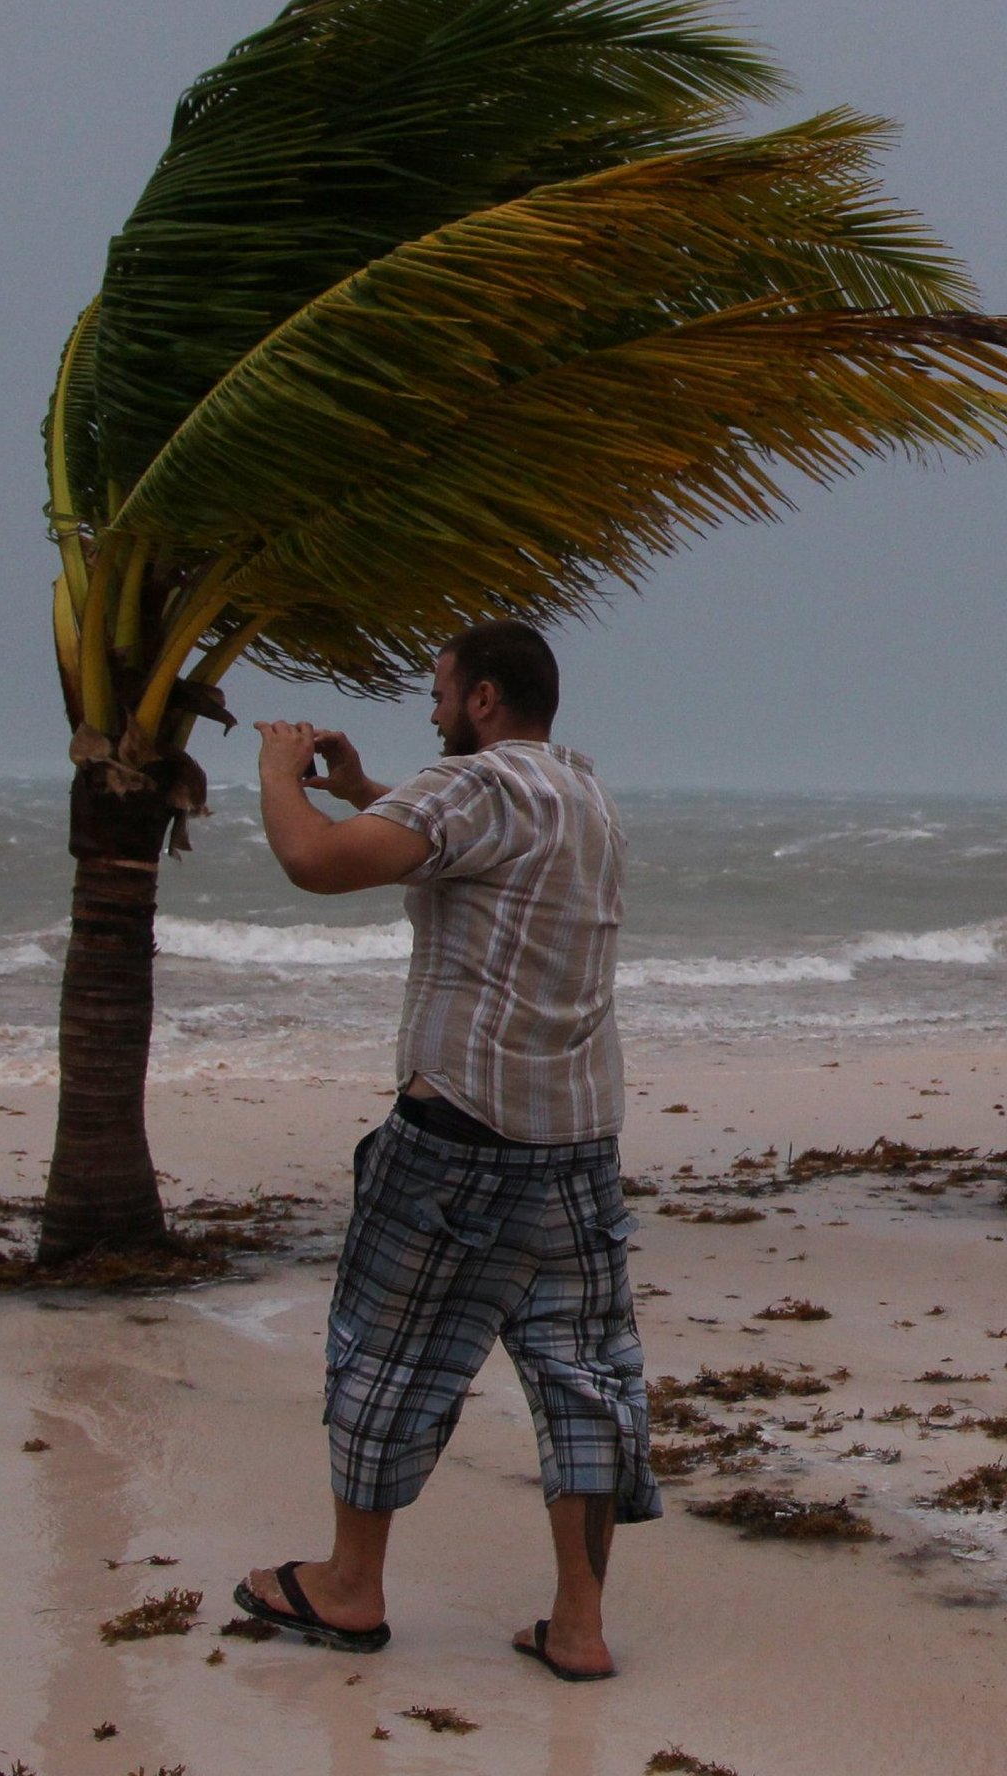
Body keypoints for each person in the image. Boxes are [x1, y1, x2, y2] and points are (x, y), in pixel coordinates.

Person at [230, 620, 650, 1684]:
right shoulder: (585, 795)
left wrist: (279, 772)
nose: (429, 712)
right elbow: (454, 840)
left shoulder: (476, 791)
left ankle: (351, 1589)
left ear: (486, 701)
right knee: (583, 1378)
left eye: (440, 694)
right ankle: (579, 1628)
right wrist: (371, 782)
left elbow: (314, 862)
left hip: (460, 1133)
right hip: (576, 1140)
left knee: (384, 1353)